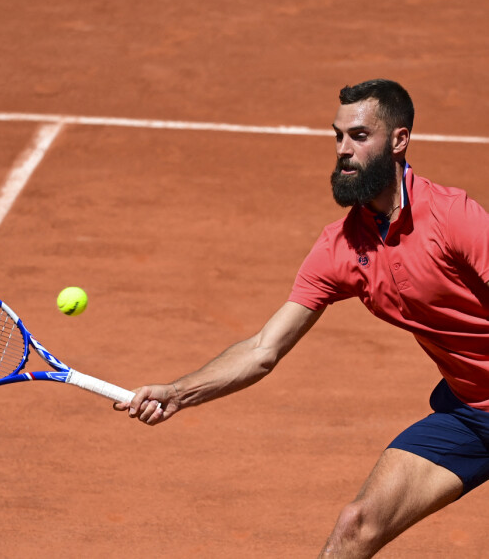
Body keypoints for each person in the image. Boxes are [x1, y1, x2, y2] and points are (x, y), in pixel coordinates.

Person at [113, 79, 489, 558]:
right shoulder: (340, 246)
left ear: (399, 141)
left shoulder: (453, 217)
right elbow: (262, 350)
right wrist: (179, 392)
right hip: (471, 412)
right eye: (337, 137)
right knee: (356, 526)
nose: (343, 151)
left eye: (358, 136)